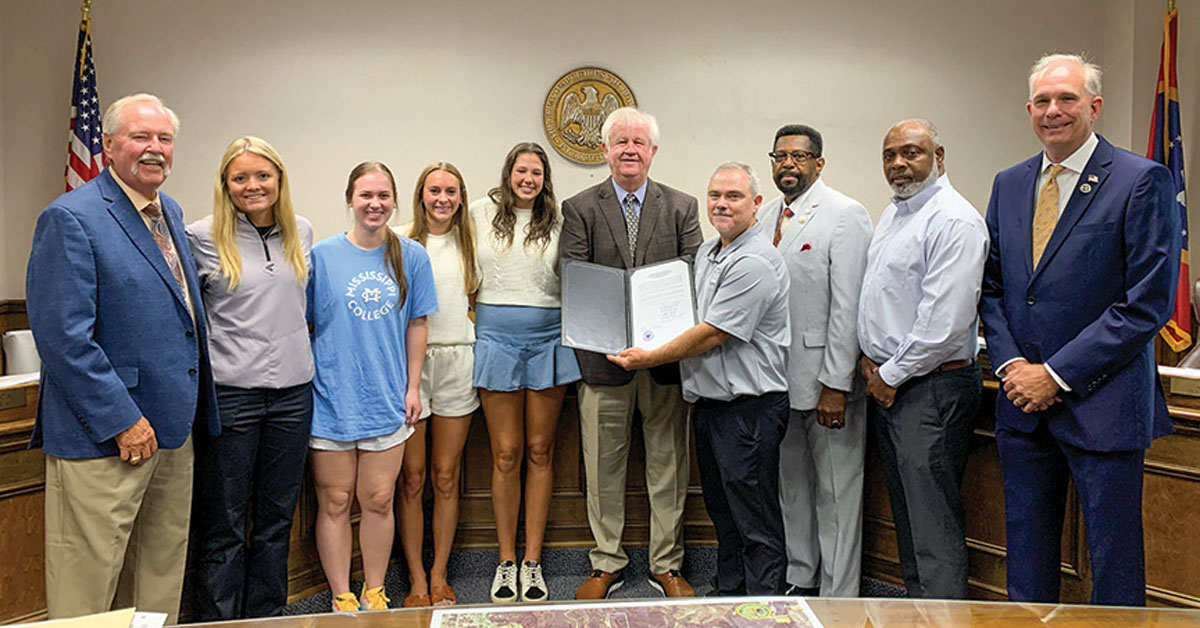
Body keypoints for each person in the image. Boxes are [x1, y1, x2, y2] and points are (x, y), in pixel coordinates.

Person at [980, 54, 1180, 606]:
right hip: (1022, 409)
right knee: (1026, 561)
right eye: (1042, 101)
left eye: (1067, 98)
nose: (1054, 110)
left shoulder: (1141, 180)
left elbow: (1146, 304)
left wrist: (1055, 374)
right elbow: (993, 288)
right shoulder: (1009, 183)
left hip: (1103, 407)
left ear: (1094, 106)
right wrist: (1013, 367)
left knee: (1114, 566)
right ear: (1028, 110)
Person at [25, 93, 218, 624]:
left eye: (164, 138)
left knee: (158, 579)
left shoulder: (168, 211)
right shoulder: (71, 217)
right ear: (108, 145)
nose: (155, 148)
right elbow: (64, 338)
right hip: (105, 438)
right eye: (140, 137)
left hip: (171, 432)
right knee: (86, 591)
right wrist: (122, 421)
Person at [609, 162, 790, 596]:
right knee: (723, 512)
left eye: (734, 196)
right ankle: (729, 595)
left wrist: (649, 356)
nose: (722, 204)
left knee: (755, 519)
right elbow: (680, 313)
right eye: (715, 196)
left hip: (750, 410)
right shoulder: (709, 252)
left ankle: (762, 609)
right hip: (711, 406)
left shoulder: (755, 261)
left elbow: (711, 334)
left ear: (756, 204)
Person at [561, 107, 703, 600]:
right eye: (620, 141)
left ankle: (667, 564)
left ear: (653, 151)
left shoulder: (681, 206)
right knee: (603, 468)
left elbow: (692, 274)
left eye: (638, 142)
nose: (629, 149)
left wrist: (657, 345)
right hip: (604, 362)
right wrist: (612, 339)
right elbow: (573, 277)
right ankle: (606, 563)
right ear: (605, 150)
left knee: (669, 465)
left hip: (664, 361)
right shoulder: (580, 208)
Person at [857, 119, 987, 599]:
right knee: (909, 519)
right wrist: (870, 360)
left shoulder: (953, 221)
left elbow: (943, 324)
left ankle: (942, 618)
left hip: (929, 387)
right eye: (889, 154)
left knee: (932, 525)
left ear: (939, 156)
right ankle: (918, 613)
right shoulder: (896, 214)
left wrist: (888, 374)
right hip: (894, 384)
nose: (898, 163)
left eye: (911, 152)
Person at [186, 136, 314, 620]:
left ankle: (266, 616)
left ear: (280, 180)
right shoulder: (201, 236)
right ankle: (218, 623)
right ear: (225, 184)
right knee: (225, 523)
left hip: (292, 396)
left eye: (263, 175)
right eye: (240, 178)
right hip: (232, 396)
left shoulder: (301, 231)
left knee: (276, 521)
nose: (252, 185)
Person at [307, 162, 437, 612]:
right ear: (350, 199)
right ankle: (341, 596)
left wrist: (413, 387)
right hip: (331, 397)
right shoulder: (321, 256)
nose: (374, 204)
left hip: (386, 396)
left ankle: (375, 591)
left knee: (379, 499)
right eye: (366, 195)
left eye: (383, 195)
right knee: (336, 500)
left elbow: (417, 323)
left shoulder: (411, 256)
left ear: (395, 200)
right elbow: (307, 325)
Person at [758, 124, 873, 597]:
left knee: (836, 494)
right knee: (793, 488)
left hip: (827, 383)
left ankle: (838, 596)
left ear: (819, 163)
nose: (788, 164)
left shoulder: (846, 215)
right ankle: (800, 577)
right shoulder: (764, 215)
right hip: (775, 380)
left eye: (800, 156)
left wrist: (836, 384)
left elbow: (849, 307)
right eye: (780, 156)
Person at [470, 142, 580, 603]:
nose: (528, 179)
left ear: (545, 179)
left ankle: (532, 562)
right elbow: (431, 233)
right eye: (521, 171)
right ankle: (505, 561)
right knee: (505, 453)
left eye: (536, 172)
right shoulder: (479, 212)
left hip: (548, 339)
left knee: (539, 450)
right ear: (508, 173)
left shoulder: (560, 219)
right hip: (495, 339)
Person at [396, 162, 480, 608]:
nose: (442, 198)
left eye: (451, 191)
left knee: (446, 476)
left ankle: (439, 574)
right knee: (412, 478)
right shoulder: (400, 240)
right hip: (411, 365)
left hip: (458, 360)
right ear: (421, 195)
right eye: (434, 190)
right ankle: (415, 578)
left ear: (461, 197)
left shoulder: (473, 243)